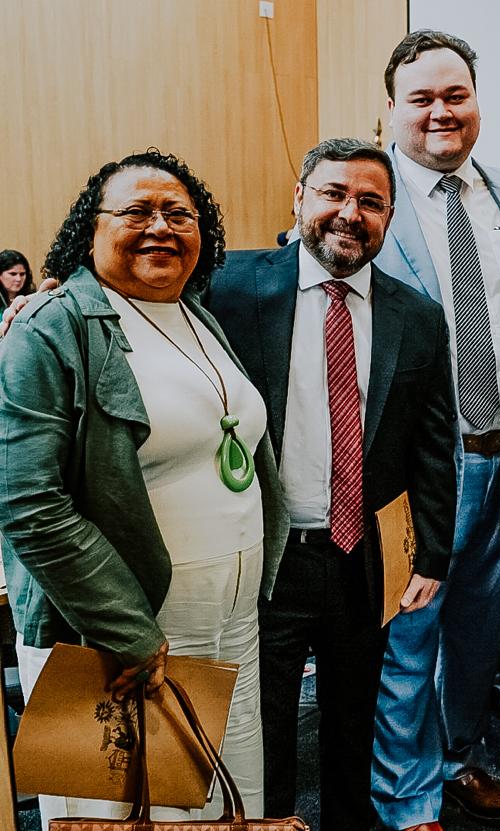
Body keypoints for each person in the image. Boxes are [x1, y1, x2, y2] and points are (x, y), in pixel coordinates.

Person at [0, 150, 287, 824]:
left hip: (227, 621)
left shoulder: (194, 313)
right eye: (136, 211)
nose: (160, 225)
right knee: (124, 811)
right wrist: (128, 629)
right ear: (88, 229)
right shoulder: (51, 329)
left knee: (219, 798)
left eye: (178, 213)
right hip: (121, 636)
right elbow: (28, 501)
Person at [203, 138, 457, 831]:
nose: (350, 213)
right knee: (265, 721)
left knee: (354, 716)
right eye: (334, 194)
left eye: (370, 202)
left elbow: (434, 447)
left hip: (362, 557)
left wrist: (433, 553)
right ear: (300, 199)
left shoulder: (417, 316)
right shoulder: (228, 287)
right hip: (266, 555)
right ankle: (270, 822)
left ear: (389, 215)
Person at [372, 29, 500, 827]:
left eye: (456, 95)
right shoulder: (369, 201)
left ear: (476, 101)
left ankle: (460, 753)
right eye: (422, 99)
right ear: (391, 111)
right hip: (419, 464)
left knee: (480, 626)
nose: (441, 112)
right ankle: (406, 797)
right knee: (412, 630)